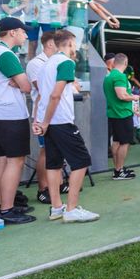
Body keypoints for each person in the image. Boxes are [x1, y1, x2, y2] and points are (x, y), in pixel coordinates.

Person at [34, 30, 99, 223]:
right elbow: (55, 95)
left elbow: (42, 96)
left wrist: (40, 121)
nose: (76, 48)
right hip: (60, 122)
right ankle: (71, 209)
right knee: (82, 161)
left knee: (53, 164)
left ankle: (56, 208)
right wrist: (44, 122)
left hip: (50, 123)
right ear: (70, 43)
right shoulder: (66, 63)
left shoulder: (47, 64)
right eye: (75, 44)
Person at [0, 17, 34, 224]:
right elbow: (26, 86)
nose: (25, 35)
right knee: (15, 161)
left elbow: (20, 83)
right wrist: (19, 82)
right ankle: (7, 209)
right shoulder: (5, 54)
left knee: (2, 159)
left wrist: (17, 82)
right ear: (12, 32)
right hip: (9, 114)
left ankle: (3, 204)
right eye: (23, 31)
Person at [26, 31, 65, 204]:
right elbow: (44, 89)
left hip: (58, 114)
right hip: (43, 115)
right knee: (45, 151)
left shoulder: (55, 61)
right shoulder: (36, 63)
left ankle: (57, 184)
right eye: (59, 42)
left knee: (55, 151)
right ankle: (43, 189)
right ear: (50, 44)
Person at [103, 53, 140, 180]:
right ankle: (119, 171)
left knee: (117, 141)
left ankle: (118, 168)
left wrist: (132, 109)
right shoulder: (119, 76)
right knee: (125, 142)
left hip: (115, 113)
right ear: (125, 63)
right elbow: (122, 95)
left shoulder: (109, 76)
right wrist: (134, 97)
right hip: (122, 114)